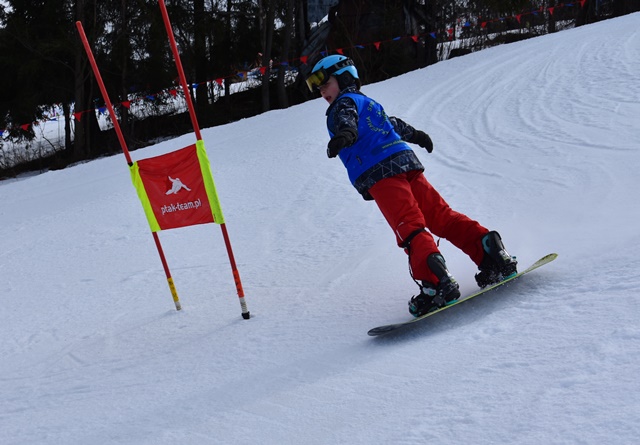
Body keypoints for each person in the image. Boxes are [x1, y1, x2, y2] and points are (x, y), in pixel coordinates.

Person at [305, 55, 518, 317]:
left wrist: (345, 135)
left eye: (324, 82)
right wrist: (417, 135)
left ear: (344, 76)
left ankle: (436, 285)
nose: (321, 90)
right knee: (440, 216)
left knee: (410, 226)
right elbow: (392, 124)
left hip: (380, 171)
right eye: (316, 86)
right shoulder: (368, 103)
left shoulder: (344, 104)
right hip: (406, 163)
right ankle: (491, 254)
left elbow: (347, 122)